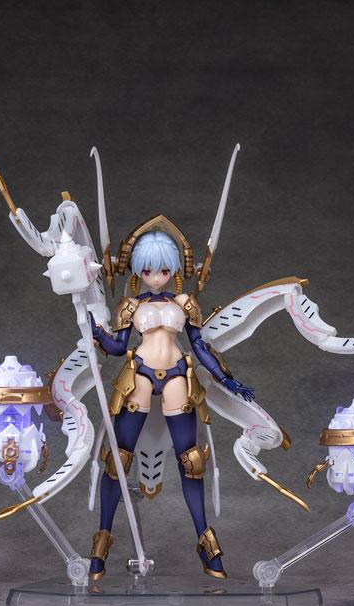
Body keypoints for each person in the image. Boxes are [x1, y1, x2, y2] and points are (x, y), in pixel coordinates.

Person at [89, 228, 254, 580]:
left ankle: (206, 543)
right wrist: (96, 331)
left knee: (192, 462)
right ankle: (101, 541)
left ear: (174, 269)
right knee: (118, 460)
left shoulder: (185, 303)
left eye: (163, 270)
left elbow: (199, 346)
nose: (155, 277)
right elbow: (118, 347)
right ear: (138, 270)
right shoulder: (131, 305)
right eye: (148, 270)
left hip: (179, 373)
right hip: (139, 374)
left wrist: (225, 377)